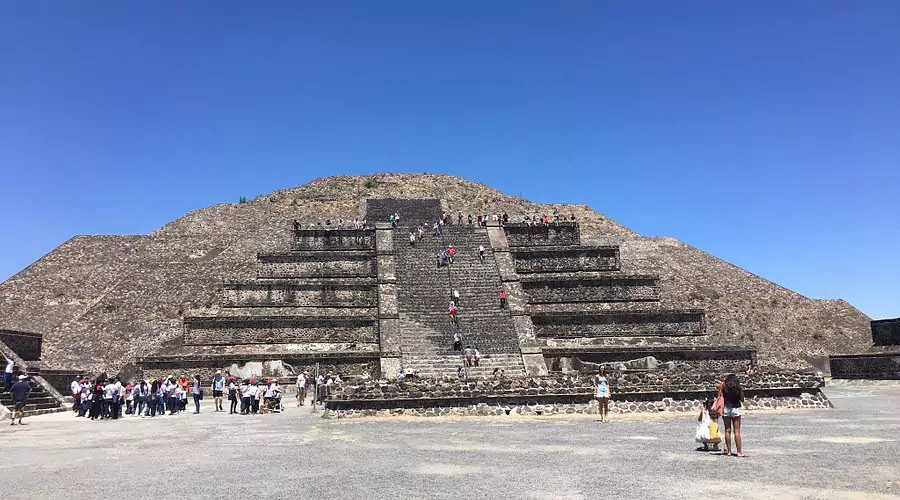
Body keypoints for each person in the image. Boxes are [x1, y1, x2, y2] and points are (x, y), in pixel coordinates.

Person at [722, 374, 746, 457]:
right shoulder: (738, 388)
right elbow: (742, 400)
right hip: (735, 408)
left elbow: (720, 397)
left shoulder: (724, 387)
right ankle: (739, 452)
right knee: (737, 431)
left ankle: (729, 451)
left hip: (726, 408)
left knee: (727, 430)